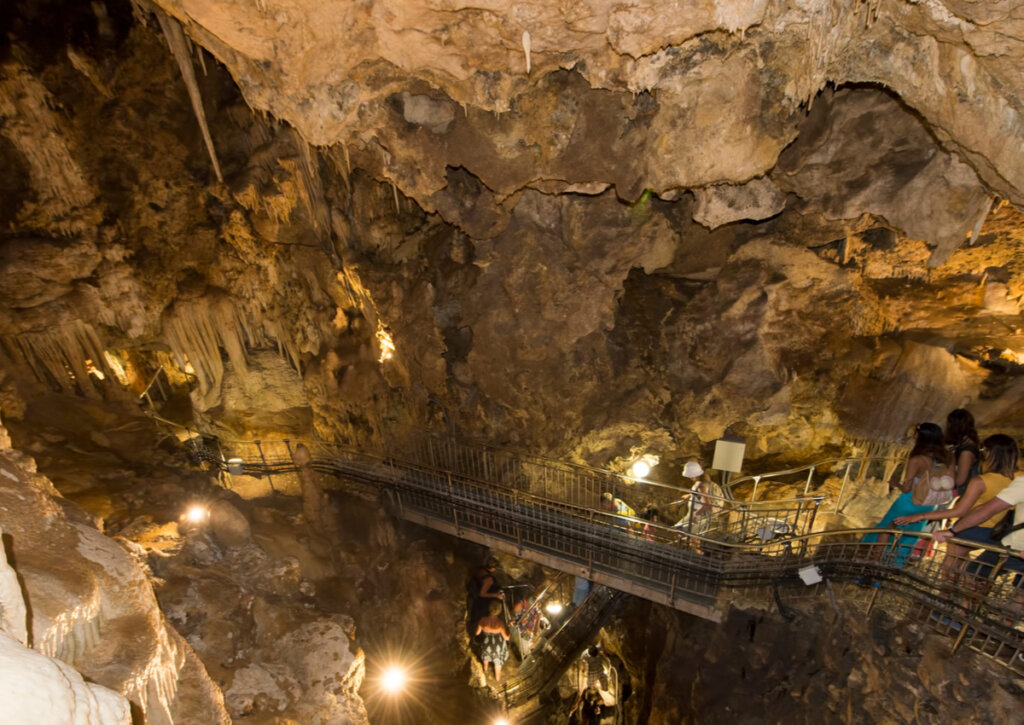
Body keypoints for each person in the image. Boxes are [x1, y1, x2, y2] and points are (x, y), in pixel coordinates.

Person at [893, 434, 1018, 580]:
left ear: (990, 454)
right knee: (968, 567)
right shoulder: (1018, 478)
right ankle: (964, 596)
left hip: (972, 527)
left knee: (950, 565)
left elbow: (961, 510)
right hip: (999, 531)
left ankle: (945, 596)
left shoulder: (981, 481)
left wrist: (921, 516)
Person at [862, 423, 952, 567]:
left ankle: (875, 563)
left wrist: (894, 483)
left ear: (920, 438)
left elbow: (906, 488)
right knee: (911, 535)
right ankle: (897, 564)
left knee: (886, 529)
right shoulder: (947, 458)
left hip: (910, 502)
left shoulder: (917, 459)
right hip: (928, 505)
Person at [673, 461, 723, 536]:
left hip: (699, 516)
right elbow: (700, 494)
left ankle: (685, 547)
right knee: (680, 532)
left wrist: (695, 515)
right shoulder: (702, 482)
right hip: (694, 514)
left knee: (691, 538)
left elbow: (708, 504)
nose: (689, 478)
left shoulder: (702, 486)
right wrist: (690, 495)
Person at [946, 408, 981, 497]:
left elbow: (960, 480)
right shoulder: (964, 446)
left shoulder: (967, 451)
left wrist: (951, 462)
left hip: (961, 494)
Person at [475, 599, 511, 681]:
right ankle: (497, 678)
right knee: (497, 662)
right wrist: (509, 629)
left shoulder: (482, 620)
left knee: (486, 658)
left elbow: (477, 633)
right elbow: (506, 638)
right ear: (499, 610)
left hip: (487, 643)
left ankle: (485, 670)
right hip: (497, 646)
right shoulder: (500, 623)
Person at [468, 556, 504, 627]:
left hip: (476, 591)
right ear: (493, 568)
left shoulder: (481, 569)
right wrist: (496, 595)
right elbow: (482, 594)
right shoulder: (489, 579)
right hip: (481, 599)